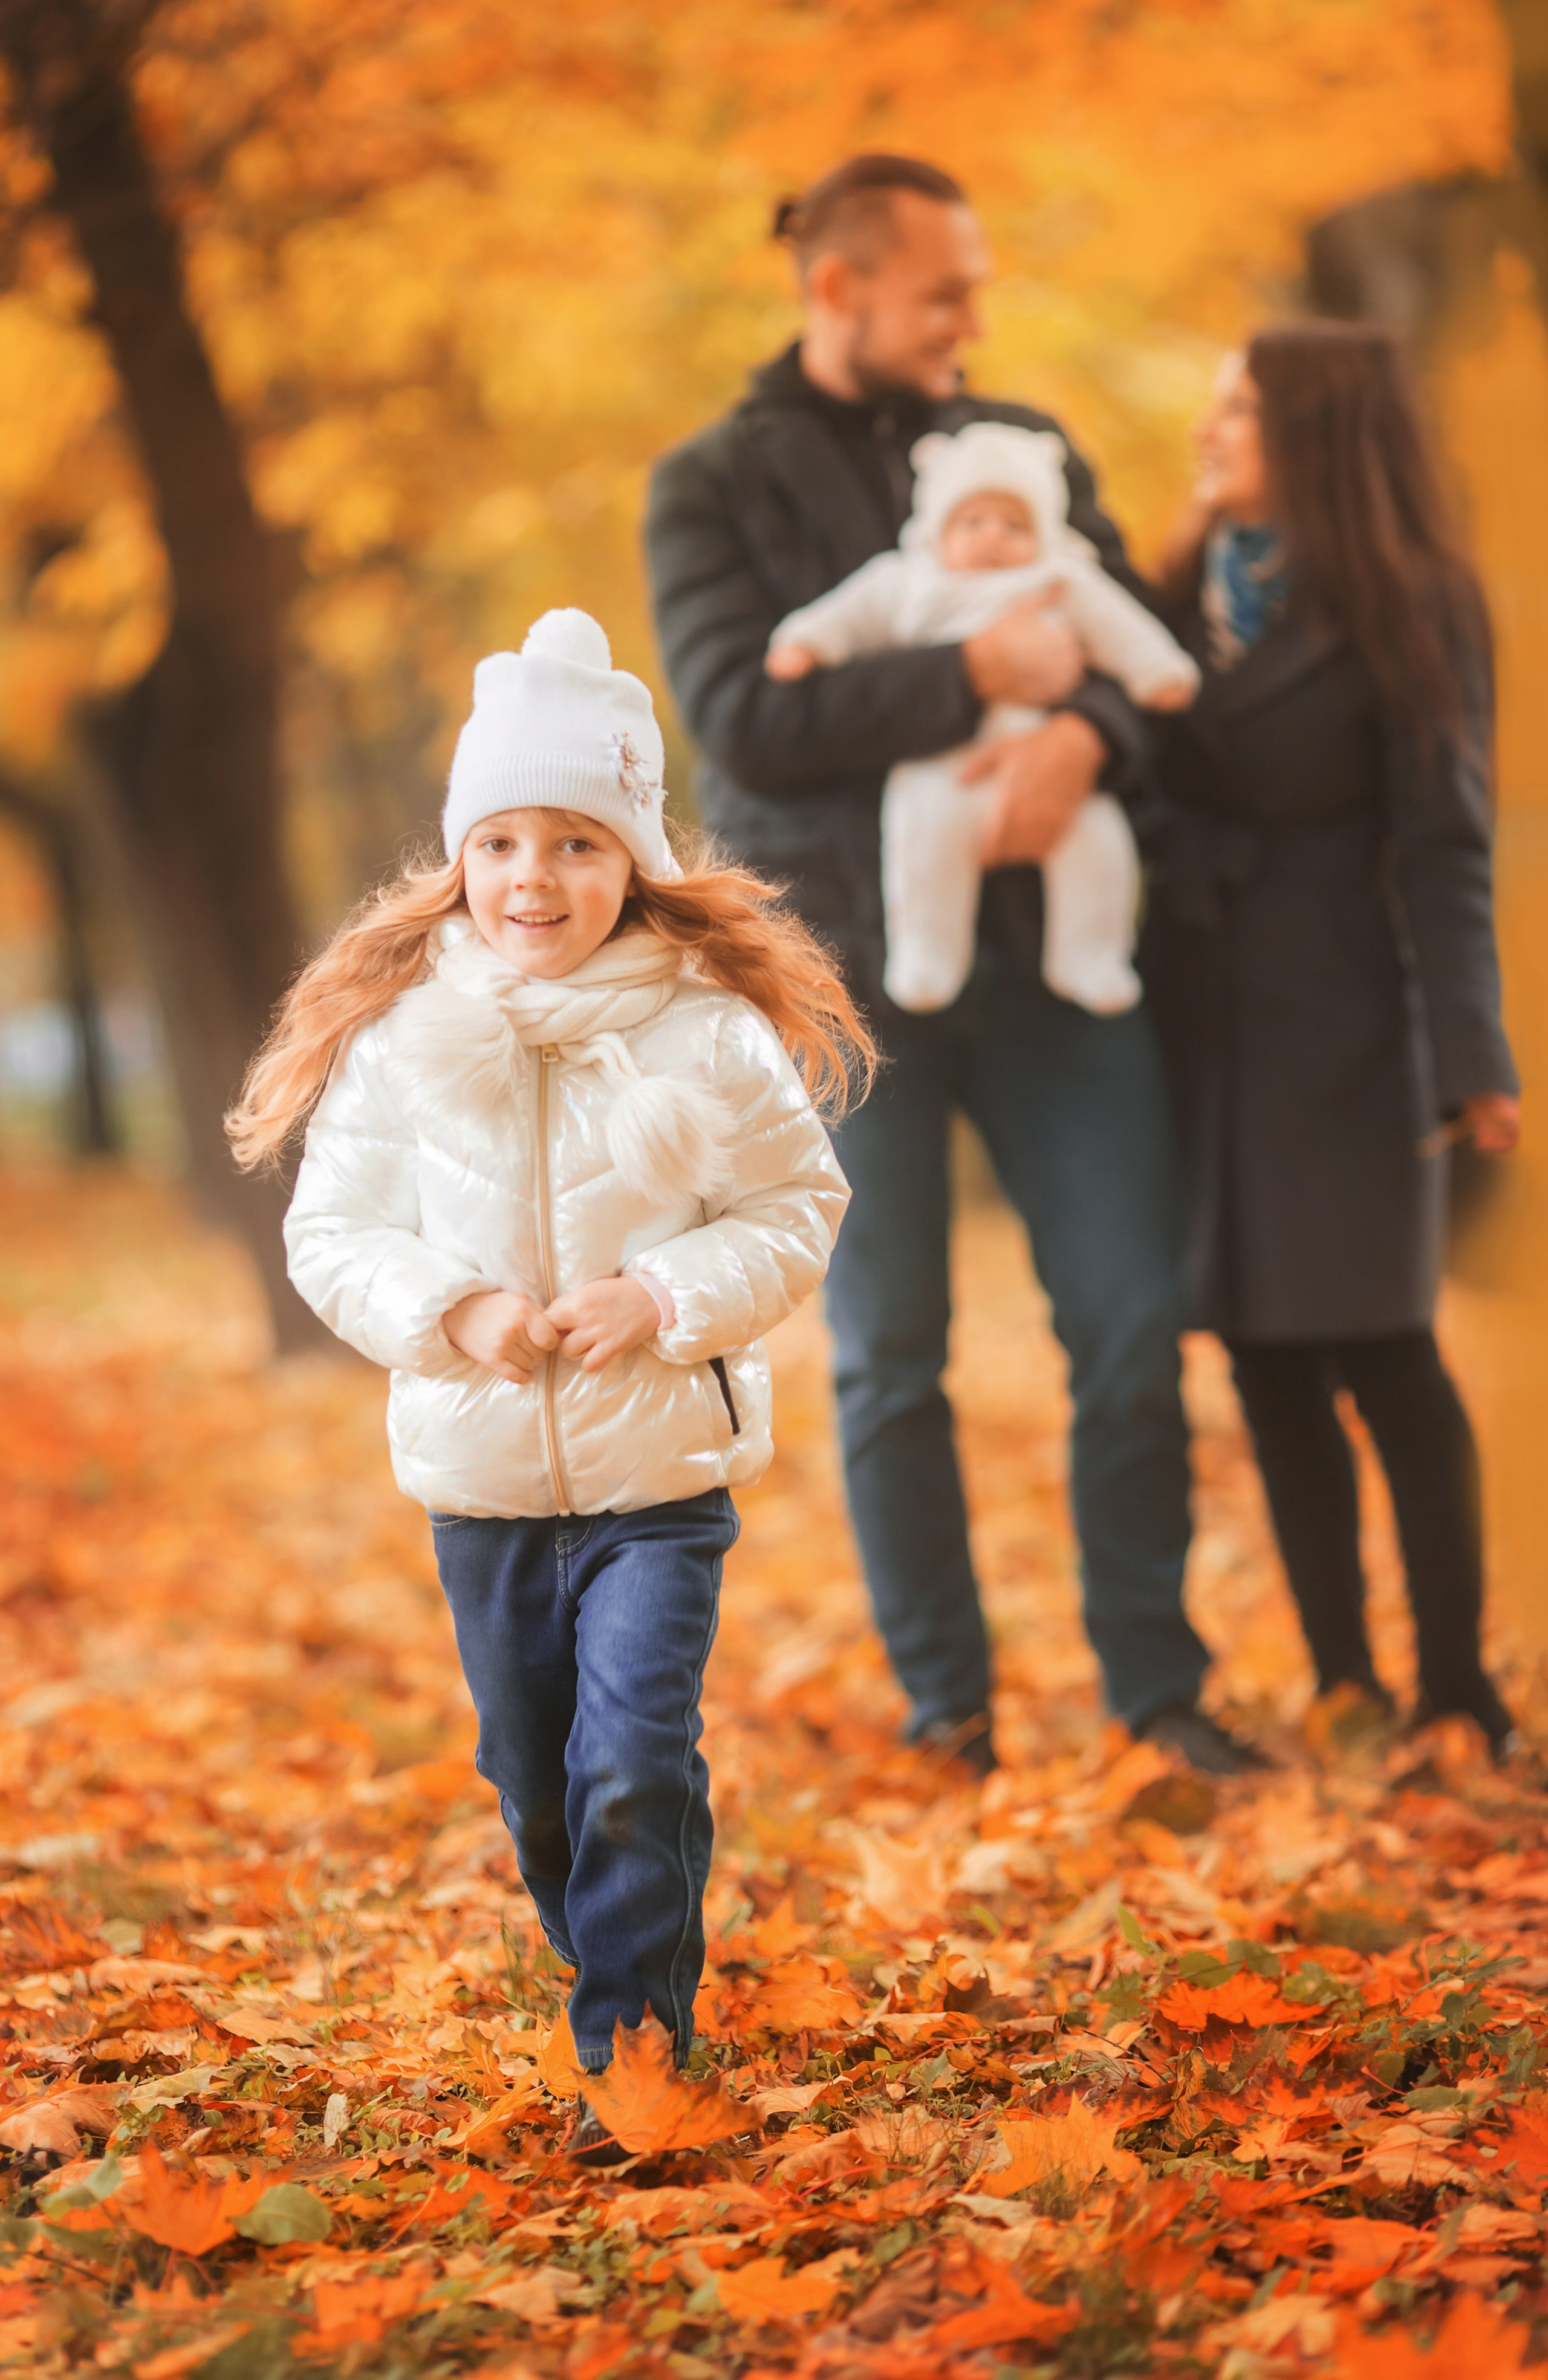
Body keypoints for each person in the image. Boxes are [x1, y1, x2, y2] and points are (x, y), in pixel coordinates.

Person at [226, 608, 865, 2156]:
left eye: (576, 843)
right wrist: (449, 1309)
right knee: (533, 1775)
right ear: (459, 860)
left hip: (660, 1481)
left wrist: (661, 1292)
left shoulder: (704, 1037)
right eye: (501, 842)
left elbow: (799, 1211)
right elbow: (335, 1230)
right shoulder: (404, 1041)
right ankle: (609, 1952)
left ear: (632, 857)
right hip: (483, 1483)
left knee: (633, 1760)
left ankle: (632, 2052)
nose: (534, 879)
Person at [648, 153, 1240, 1776]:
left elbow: (1132, 655)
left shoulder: (1032, 446)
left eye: (978, 287)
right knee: (890, 1345)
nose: (976, 318)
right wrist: (972, 666)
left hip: (1064, 967)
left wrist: (1084, 737)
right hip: (857, 983)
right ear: (837, 289)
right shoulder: (712, 483)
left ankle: (1159, 1688)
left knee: (1129, 1319)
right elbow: (748, 722)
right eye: (942, 292)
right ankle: (950, 1708)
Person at [1141, 324, 1521, 1758]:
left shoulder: (1413, 601)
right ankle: (1342, 1682)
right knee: (1260, 1358)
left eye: (1236, 408)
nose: (1206, 428)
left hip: (1350, 1018)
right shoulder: (1168, 588)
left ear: (1314, 430)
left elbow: (1444, 843)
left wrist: (1471, 1054)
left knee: (1384, 1353)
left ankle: (1455, 1688)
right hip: (1194, 1019)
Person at [766, 420, 1200, 1016]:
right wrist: (806, 641)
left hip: (1048, 754)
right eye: (972, 522)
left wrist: (1158, 671)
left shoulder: (1061, 578)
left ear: (1045, 531)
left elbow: (1119, 627)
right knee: (922, 843)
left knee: (1100, 845)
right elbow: (847, 614)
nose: (993, 537)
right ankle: (926, 951)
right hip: (942, 763)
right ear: (937, 528)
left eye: (1015, 524)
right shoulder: (907, 580)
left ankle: (1089, 952)